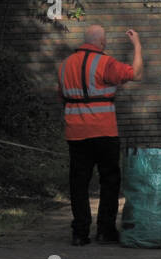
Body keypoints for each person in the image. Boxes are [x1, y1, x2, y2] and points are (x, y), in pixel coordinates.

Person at [58, 24, 142, 246]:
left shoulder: (65, 65)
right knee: (109, 181)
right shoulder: (106, 62)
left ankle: (79, 233)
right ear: (102, 43)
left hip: (76, 132)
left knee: (78, 183)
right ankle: (105, 231)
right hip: (104, 131)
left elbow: (62, 95)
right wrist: (137, 45)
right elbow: (135, 73)